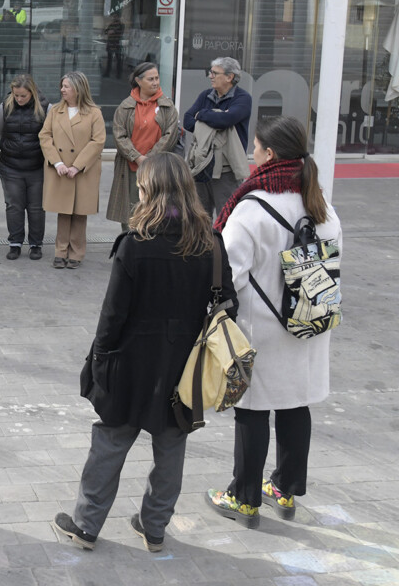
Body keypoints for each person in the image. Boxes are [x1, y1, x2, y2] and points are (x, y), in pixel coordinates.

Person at [54, 152, 236, 553]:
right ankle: (154, 528)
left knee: (111, 439)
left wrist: (97, 361)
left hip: (130, 362)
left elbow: (112, 315)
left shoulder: (135, 245)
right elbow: (229, 306)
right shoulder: (211, 244)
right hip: (183, 365)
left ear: (148, 191)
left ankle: (86, 525)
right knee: (172, 444)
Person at [206, 116, 342, 528]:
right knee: (295, 403)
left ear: (269, 154)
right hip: (308, 324)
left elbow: (229, 272)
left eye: (256, 148)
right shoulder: (320, 203)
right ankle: (284, 487)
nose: (250, 155)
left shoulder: (252, 209)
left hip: (261, 327)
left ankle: (244, 498)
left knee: (252, 408)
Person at [39, 71, 106, 269]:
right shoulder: (55, 111)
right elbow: (45, 136)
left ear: (78, 89)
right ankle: (60, 251)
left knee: (79, 213)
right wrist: (57, 163)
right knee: (64, 211)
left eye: (66, 86)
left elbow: (98, 141)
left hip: (83, 170)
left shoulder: (94, 113)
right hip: (60, 168)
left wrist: (77, 165)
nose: (62, 90)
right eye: (62, 86)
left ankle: (77, 252)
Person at [107, 63, 180, 231]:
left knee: (156, 209)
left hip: (158, 168)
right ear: (138, 81)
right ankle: (129, 245)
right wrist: (137, 157)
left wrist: (150, 158)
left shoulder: (167, 107)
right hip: (131, 168)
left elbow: (170, 135)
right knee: (130, 211)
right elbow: (119, 135)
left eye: (157, 78)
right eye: (150, 79)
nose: (155, 82)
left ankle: (151, 244)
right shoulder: (125, 107)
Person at [183, 56, 252, 216]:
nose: (210, 76)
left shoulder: (242, 99)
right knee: (199, 217)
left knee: (227, 218)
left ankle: (222, 242)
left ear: (229, 77)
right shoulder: (205, 95)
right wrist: (216, 120)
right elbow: (187, 120)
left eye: (215, 73)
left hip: (227, 170)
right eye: (210, 72)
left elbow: (227, 119)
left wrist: (202, 115)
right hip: (201, 166)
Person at [0, 74, 49, 260]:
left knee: (36, 207)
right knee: (14, 206)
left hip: (37, 167)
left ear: (32, 92)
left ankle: (35, 244)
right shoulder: (5, 106)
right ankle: (15, 243)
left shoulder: (45, 108)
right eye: (16, 95)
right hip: (11, 166)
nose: (19, 99)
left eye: (23, 95)